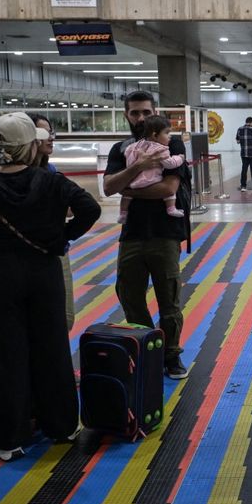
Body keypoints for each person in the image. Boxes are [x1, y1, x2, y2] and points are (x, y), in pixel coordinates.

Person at [0, 112, 100, 460]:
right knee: (52, 350)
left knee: (7, 358)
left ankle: (8, 438)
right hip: (44, 274)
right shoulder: (52, 182)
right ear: (30, 146)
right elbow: (90, 209)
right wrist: (59, 237)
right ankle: (62, 425)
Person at [103, 90, 191, 380]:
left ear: (154, 112)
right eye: (134, 113)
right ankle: (147, 349)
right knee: (129, 295)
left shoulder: (172, 142)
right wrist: (139, 167)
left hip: (165, 234)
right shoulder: (121, 149)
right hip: (132, 234)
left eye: (145, 112)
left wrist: (128, 187)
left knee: (169, 298)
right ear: (126, 115)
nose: (140, 118)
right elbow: (107, 187)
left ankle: (172, 354)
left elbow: (168, 189)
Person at [28, 113, 75, 331]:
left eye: (51, 132)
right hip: (27, 254)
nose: (50, 138)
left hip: (56, 249)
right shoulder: (11, 175)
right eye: (43, 133)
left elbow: (69, 209)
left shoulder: (51, 171)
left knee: (64, 318)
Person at [117, 116, 187, 224]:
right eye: (167, 133)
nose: (170, 136)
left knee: (127, 195)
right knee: (170, 193)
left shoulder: (134, 146)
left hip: (133, 182)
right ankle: (171, 208)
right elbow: (169, 164)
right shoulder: (160, 149)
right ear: (155, 135)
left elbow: (126, 153)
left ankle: (122, 213)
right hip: (151, 181)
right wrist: (180, 158)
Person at [236, 117, 252, 192]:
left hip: (244, 153)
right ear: (251, 122)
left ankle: (243, 186)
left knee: (244, 169)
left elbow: (237, 141)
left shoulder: (239, 129)